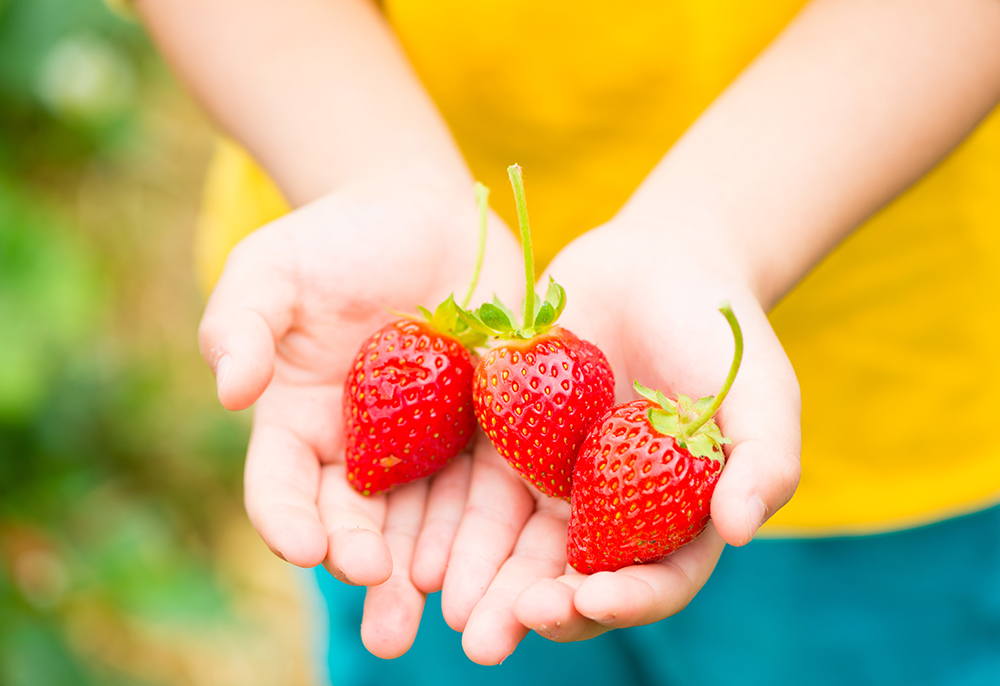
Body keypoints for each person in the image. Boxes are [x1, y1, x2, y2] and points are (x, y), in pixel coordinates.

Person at [135, 0, 1000, 683]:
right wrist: (375, 176)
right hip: (360, 205)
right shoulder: (417, 351)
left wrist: (713, 230)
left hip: (905, 395)